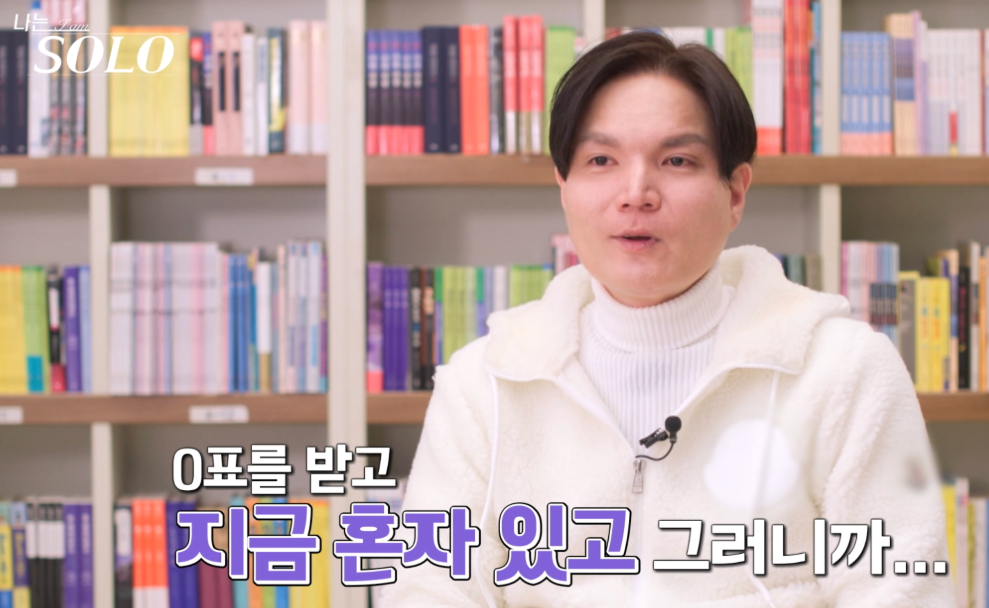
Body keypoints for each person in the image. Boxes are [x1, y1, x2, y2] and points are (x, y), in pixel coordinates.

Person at [381, 31, 954, 607]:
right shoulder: (484, 385)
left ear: (735, 192)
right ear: (564, 188)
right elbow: (425, 590)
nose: (636, 193)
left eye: (677, 160)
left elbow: (903, 589)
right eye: (601, 160)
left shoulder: (845, 371)